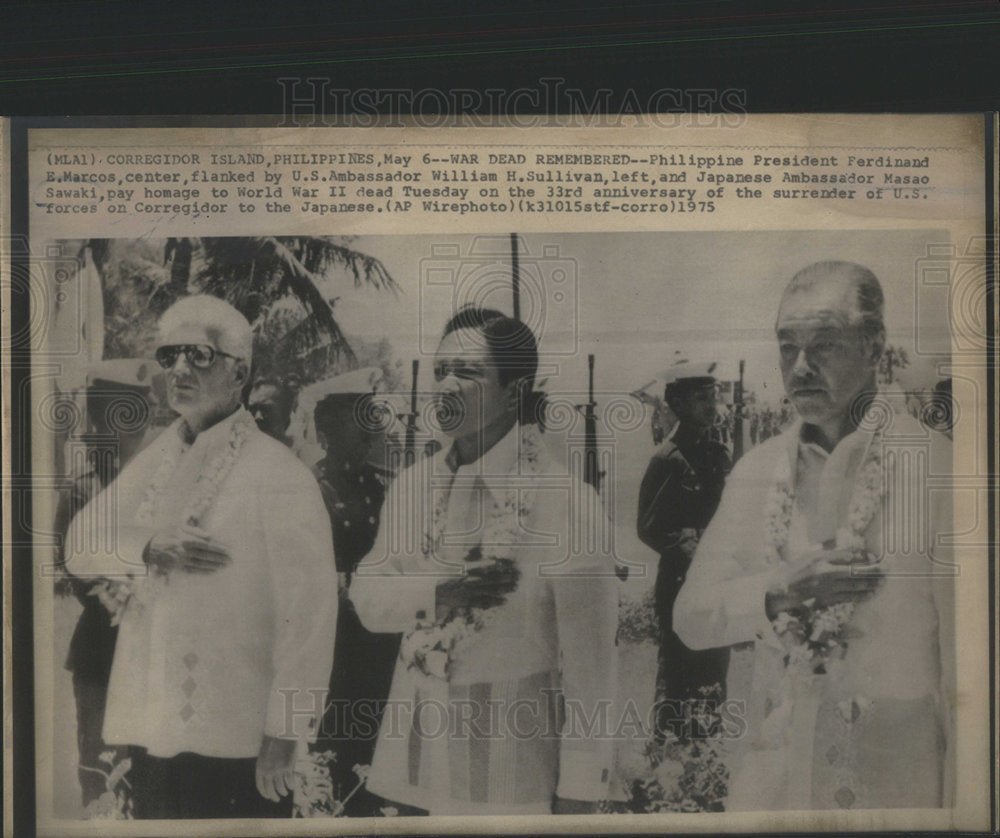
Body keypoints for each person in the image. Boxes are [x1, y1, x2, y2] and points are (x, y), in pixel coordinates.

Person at [674, 261, 955, 810]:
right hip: (777, 784)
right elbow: (691, 617)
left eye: (823, 345)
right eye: (787, 347)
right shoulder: (756, 471)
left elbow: (973, 688)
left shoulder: (940, 471)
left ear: (874, 346)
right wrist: (779, 591)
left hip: (895, 788)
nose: (800, 367)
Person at [64, 295, 337, 819]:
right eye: (169, 356)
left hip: (238, 735)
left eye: (199, 355)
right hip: (152, 726)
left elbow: (310, 618)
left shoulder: (280, 474)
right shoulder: (157, 458)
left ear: (240, 374)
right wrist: (146, 546)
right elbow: (80, 543)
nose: (179, 369)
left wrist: (286, 733)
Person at [350, 306, 620, 815]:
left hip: (512, 768)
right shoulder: (412, 487)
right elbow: (367, 598)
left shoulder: (565, 501)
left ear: (516, 390)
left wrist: (580, 792)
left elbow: (593, 670)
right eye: (440, 371)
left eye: (468, 372)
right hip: (412, 764)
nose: (445, 385)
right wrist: (436, 592)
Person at [54, 360, 160, 806]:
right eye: (124, 411)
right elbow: (76, 571)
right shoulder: (82, 491)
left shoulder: (164, 483)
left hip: (158, 654)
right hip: (102, 652)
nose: (137, 424)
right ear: (101, 417)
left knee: (152, 777)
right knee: (102, 779)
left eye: (141, 411)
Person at [310, 387, 399, 816]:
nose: (370, 437)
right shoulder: (308, 488)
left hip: (378, 638)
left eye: (371, 428)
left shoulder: (380, 485)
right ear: (327, 434)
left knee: (376, 737)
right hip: (335, 639)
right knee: (336, 739)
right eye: (358, 428)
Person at [636, 360, 732, 739]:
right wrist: (697, 550)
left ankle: (706, 758)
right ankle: (668, 767)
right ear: (677, 402)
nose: (712, 406)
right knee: (679, 676)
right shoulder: (667, 460)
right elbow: (649, 527)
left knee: (714, 674)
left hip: (718, 582)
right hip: (681, 584)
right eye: (701, 398)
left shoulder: (720, 454)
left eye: (713, 397)